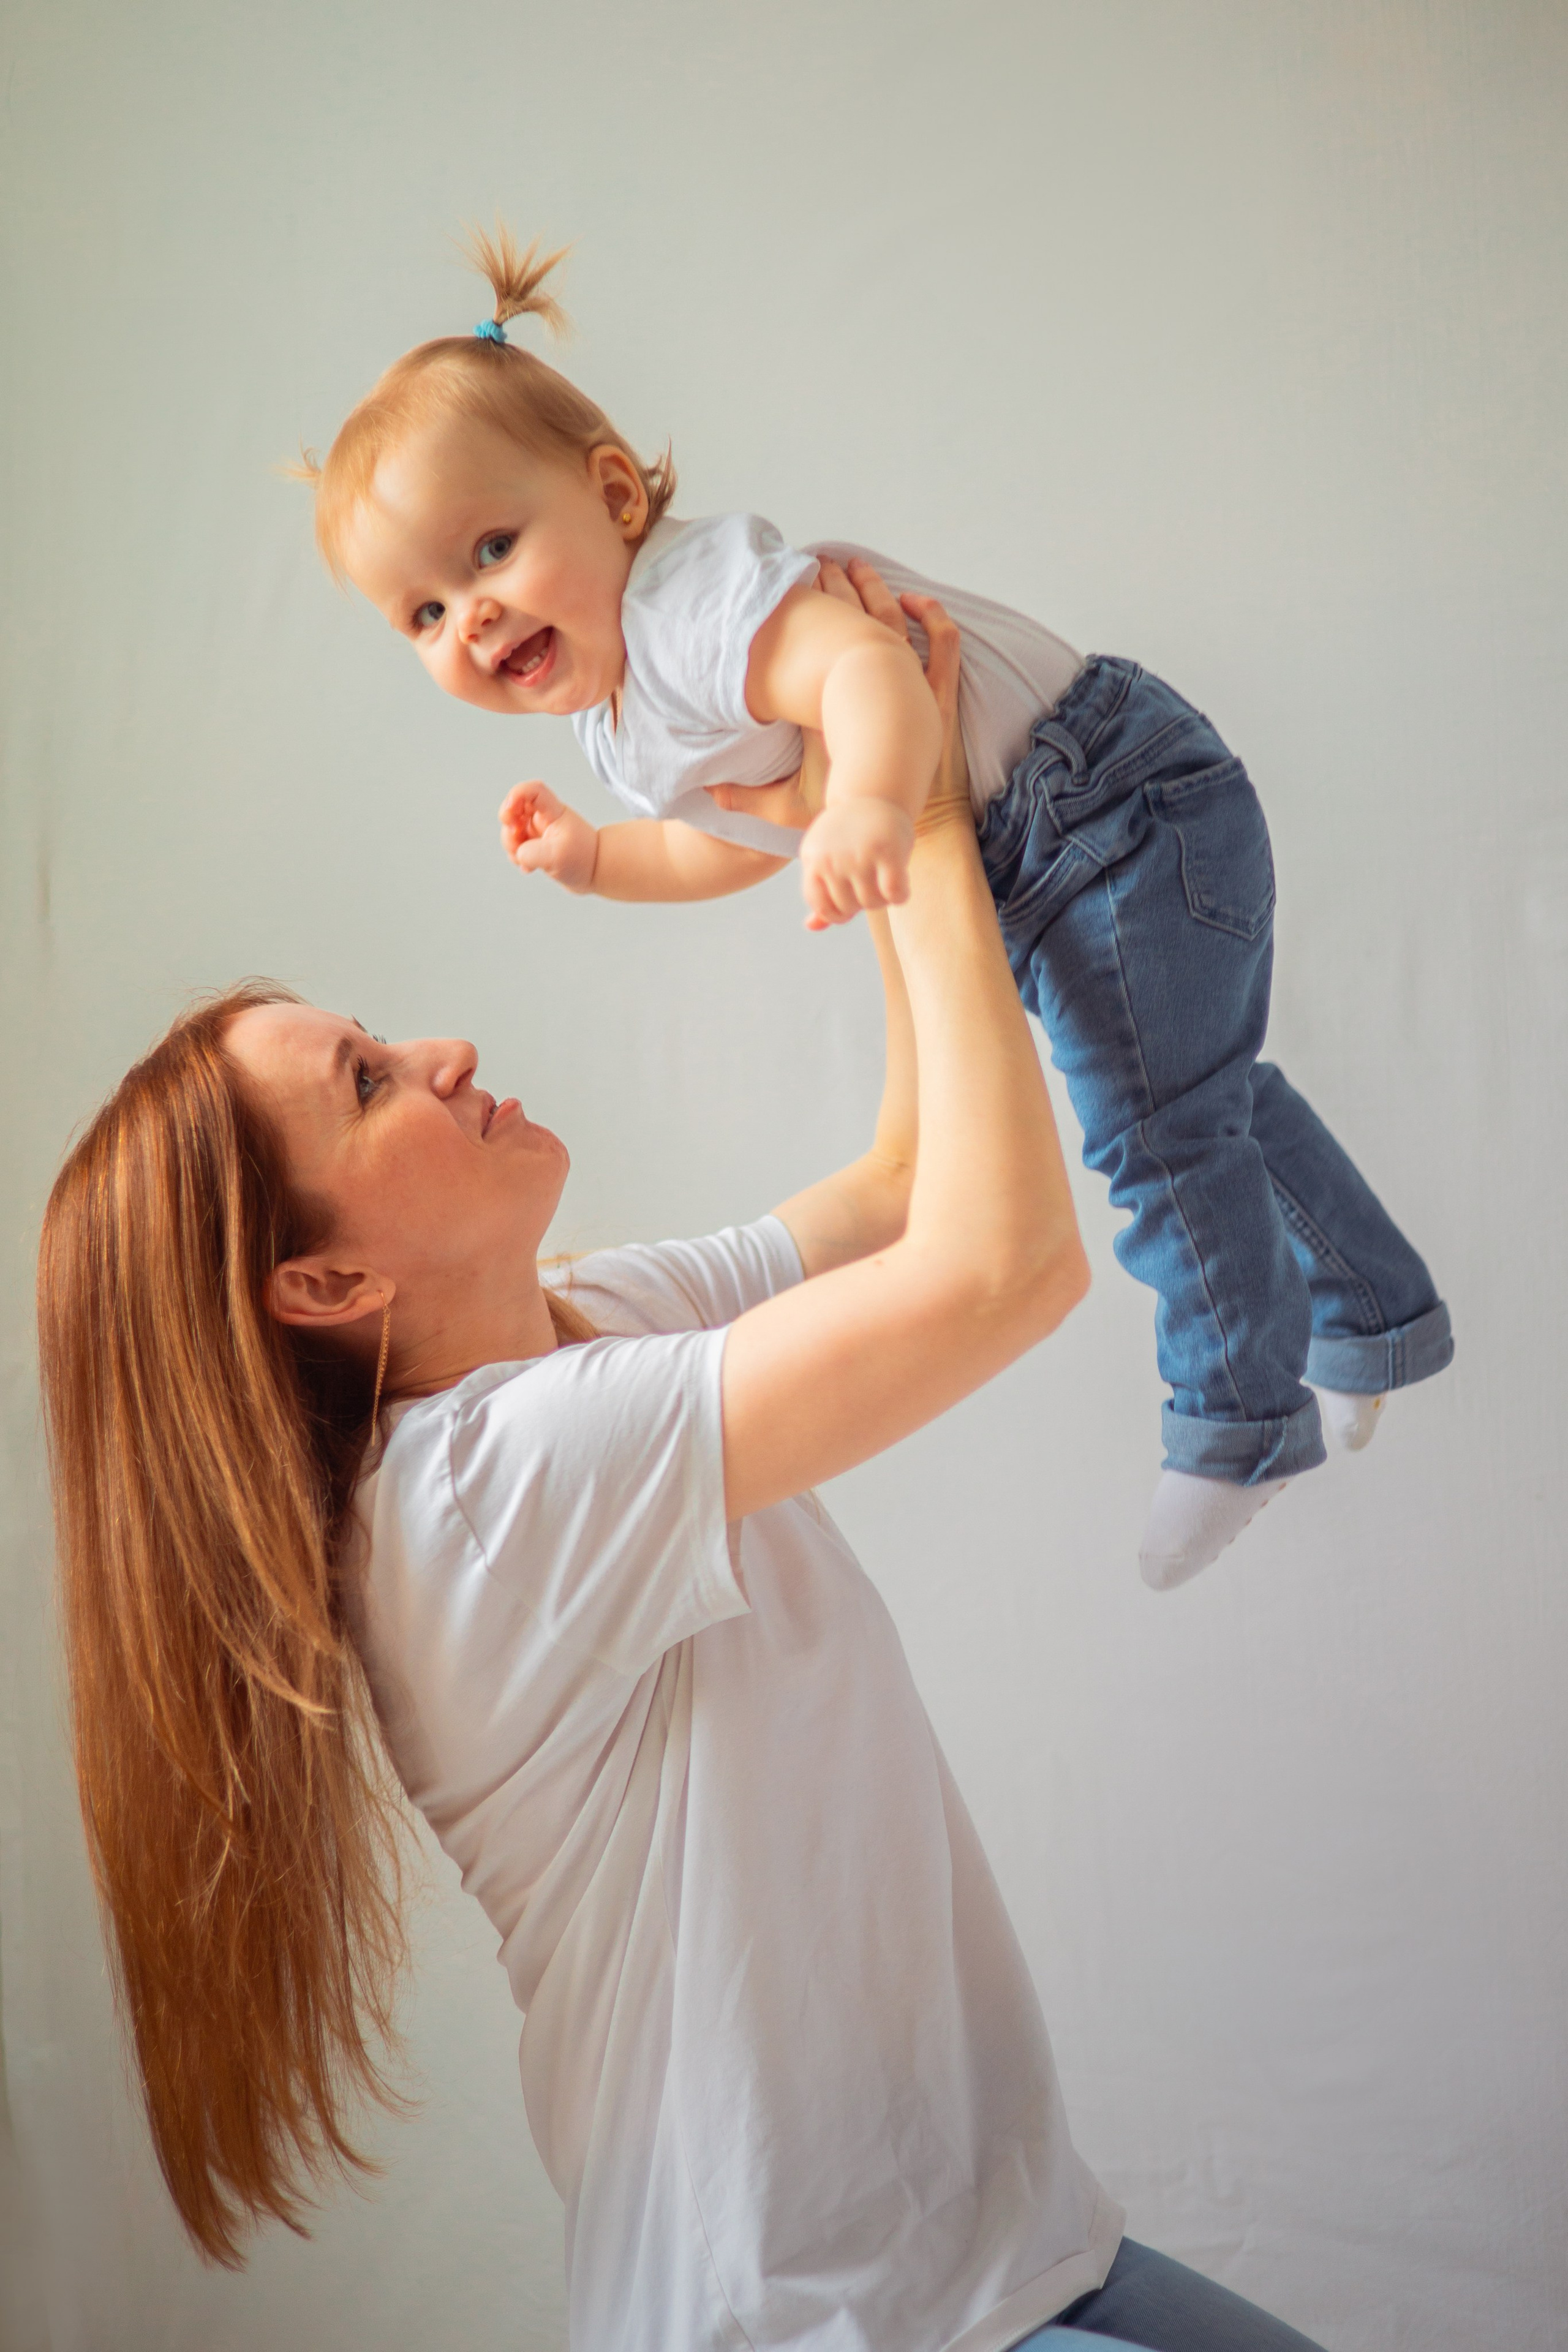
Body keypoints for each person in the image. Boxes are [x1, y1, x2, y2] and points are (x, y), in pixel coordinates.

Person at [39, 585, 1327, 2350]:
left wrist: (857, 788)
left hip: (999, 2248)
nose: (445, 1052)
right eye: (369, 1080)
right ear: (325, 1284)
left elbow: (901, 1179)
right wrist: (922, 821)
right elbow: (1001, 1268)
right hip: (815, 2317)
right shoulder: (479, 1501)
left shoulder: (578, 1331)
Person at [293, 226, 1453, 1590]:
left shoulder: (689, 604)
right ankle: (1373, 1318)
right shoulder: (614, 722)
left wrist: (866, 806)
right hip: (1055, 845)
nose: (472, 620)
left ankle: (1238, 1418)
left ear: (612, 494)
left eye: (490, 550)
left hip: (1110, 804)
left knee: (1157, 1130)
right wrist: (603, 858)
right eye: (424, 614)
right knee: (1208, 1095)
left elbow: (868, 674)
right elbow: (733, 837)